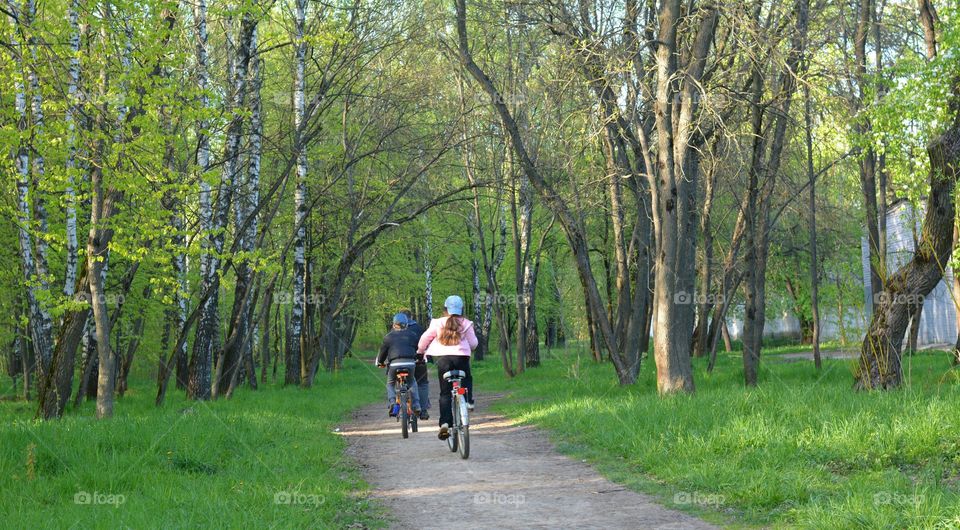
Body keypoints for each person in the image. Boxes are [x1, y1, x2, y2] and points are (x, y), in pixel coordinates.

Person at [417, 295, 477, 440]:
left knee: (445, 393)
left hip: (443, 360)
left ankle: (445, 424)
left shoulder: (437, 323)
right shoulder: (466, 323)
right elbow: (474, 343)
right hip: (461, 359)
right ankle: (468, 401)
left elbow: (425, 339)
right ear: (461, 309)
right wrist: (469, 348)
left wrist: (420, 351)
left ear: (445, 309)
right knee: (467, 378)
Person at [375, 313, 421, 417]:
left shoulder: (388, 337)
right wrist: (419, 359)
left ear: (394, 324)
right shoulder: (413, 335)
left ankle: (392, 402)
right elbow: (418, 349)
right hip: (410, 363)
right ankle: (417, 404)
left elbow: (382, 353)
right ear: (406, 324)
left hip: (394, 364)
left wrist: (380, 362)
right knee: (412, 381)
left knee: (390, 383)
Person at [400, 308, 430, 420]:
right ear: (411, 317)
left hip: (399, 362)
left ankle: (398, 401)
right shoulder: (419, 328)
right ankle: (423, 410)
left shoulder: (396, 328)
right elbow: (426, 344)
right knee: (422, 383)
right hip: (418, 360)